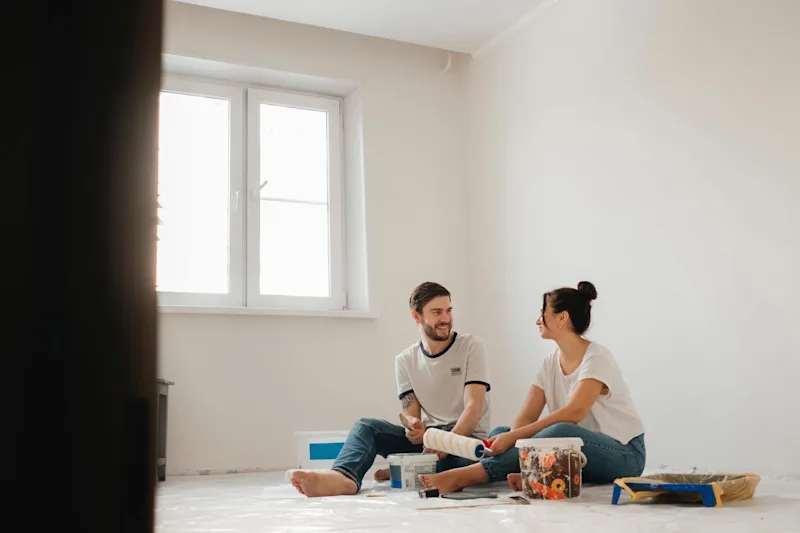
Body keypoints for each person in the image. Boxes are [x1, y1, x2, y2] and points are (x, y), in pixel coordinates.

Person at [420, 281, 646, 494]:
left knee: (560, 431)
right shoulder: (550, 362)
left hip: (625, 455)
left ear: (562, 318)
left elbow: (573, 414)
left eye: (543, 313)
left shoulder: (596, 358)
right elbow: (527, 416)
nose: (538, 320)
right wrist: (512, 438)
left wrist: (515, 439)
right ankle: (524, 470)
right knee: (501, 432)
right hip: (579, 454)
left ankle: (465, 476)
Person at [290, 281, 492, 497]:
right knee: (366, 426)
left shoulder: (471, 346)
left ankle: (408, 468)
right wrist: (412, 428)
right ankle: (344, 477)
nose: (445, 319)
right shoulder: (405, 360)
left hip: (465, 442)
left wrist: (447, 442)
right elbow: (411, 415)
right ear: (417, 316)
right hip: (430, 441)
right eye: (437, 312)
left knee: (468, 461)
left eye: (448, 310)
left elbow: (474, 408)